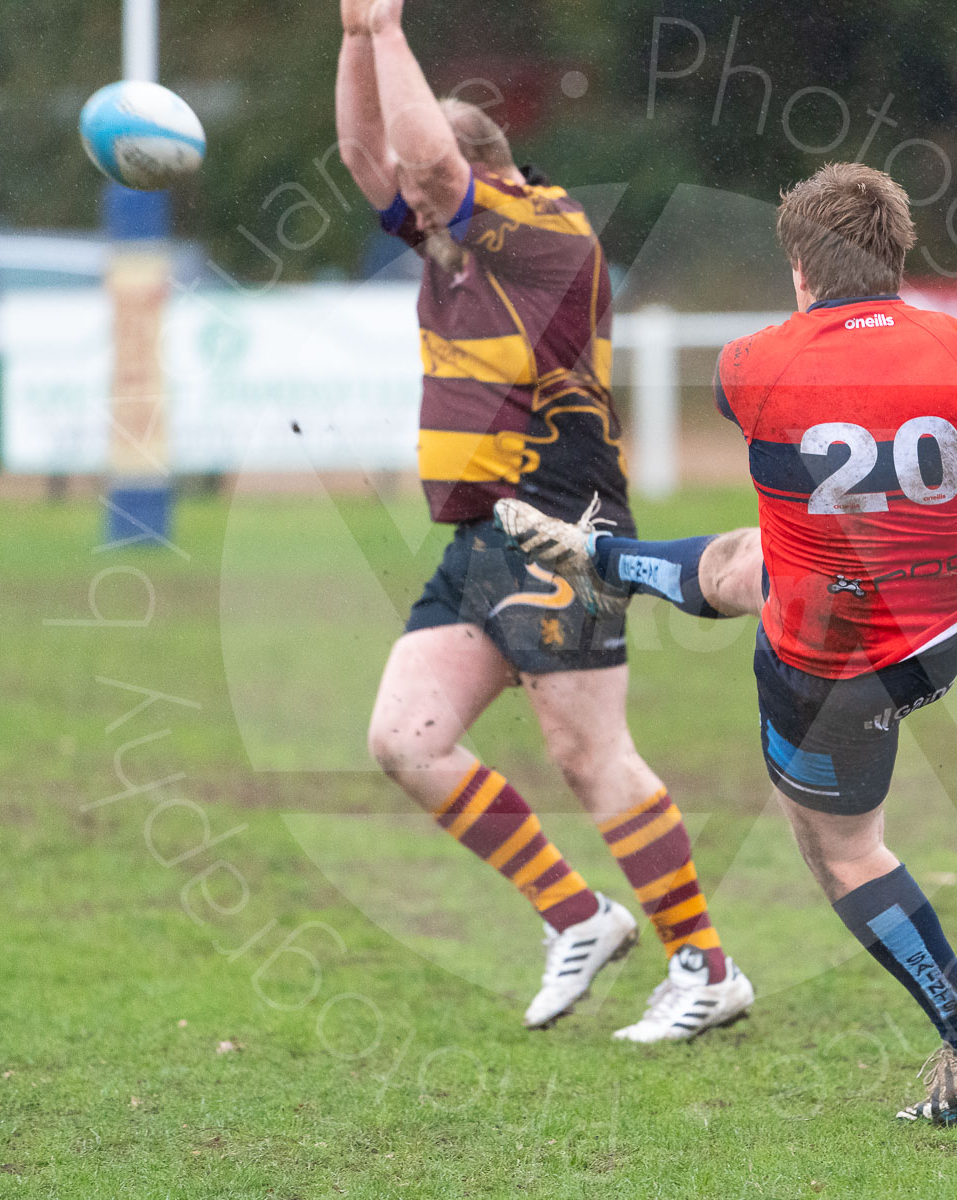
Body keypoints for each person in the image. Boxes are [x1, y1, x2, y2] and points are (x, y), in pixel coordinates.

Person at [497, 161, 957, 1121]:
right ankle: (610, 562)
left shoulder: (753, 364)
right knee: (753, 559)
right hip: (935, 633)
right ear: (900, 252)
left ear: (799, 263)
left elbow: (764, 415)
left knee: (841, 851)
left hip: (829, 667)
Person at [333, 0, 753, 1040]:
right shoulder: (451, 247)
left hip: (562, 522)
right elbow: (364, 155)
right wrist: (353, 37)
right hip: (478, 538)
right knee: (406, 739)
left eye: (425, 195)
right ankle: (579, 915)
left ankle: (706, 968)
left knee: (589, 754)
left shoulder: (539, 231)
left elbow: (423, 172)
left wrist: (390, 35)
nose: (408, 214)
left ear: (475, 177)